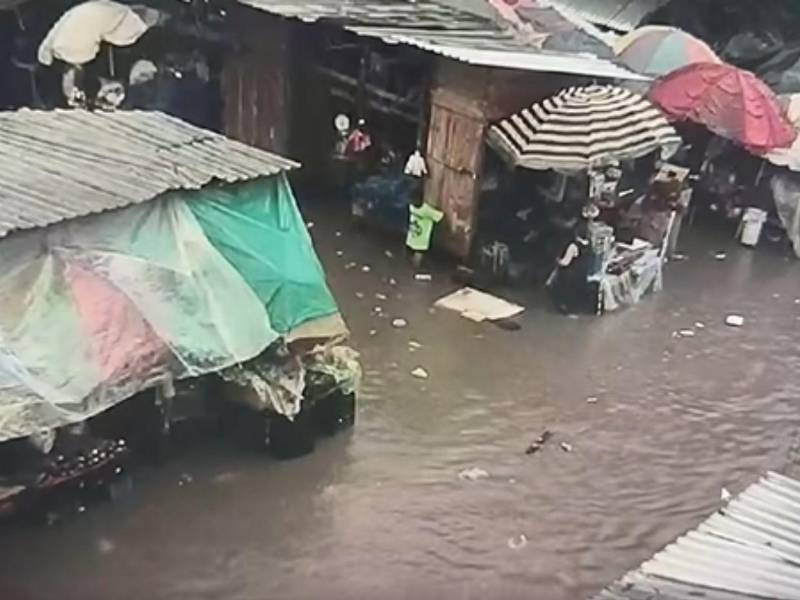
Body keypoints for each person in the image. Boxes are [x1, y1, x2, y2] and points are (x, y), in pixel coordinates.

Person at [549, 223, 596, 314]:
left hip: (571, 275)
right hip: (582, 273)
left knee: (554, 282)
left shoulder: (573, 246)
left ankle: (562, 307)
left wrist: (557, 260)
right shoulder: (589, 245)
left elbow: (565, 263)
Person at [406, 197, 444, 269]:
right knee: (419, 253)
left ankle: (412, 267)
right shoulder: (426, 210)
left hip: (412, 236)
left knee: (413, 252)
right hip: (422, 239)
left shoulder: (411, 207)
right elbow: (440, 216)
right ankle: (416, 268)